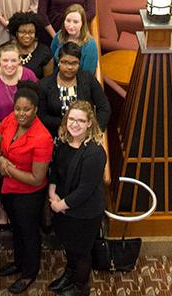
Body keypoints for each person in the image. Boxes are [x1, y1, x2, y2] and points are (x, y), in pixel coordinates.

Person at [0, 81, 54, 294]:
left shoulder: (42, 137)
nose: (21, 113)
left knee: (29, 233)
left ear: (35, 109)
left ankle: (29, 272)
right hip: (8, 190)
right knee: (16, 229)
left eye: (26, 109)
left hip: (29, 195)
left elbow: (37, 179)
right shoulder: (10, 121)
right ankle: (18, 263)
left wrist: (6, 167)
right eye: (18, 108)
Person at [48, 100, 106, 296]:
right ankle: (69, 274)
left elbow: (85, 190)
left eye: (80, 121)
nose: (75, 124)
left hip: (84, 212)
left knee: (81, 252)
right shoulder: (64, 142)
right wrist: (52, 193)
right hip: (63, 206)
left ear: (90, 123)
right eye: (71, 119)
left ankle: (81, 287)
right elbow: (55, 170)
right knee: (69, 246)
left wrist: (59, 205)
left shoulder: (95, 152)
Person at [38, 42, 110, 137]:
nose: (70, 67)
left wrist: (94, 131)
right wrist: (64, 124)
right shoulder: (44, 84)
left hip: (86, 134)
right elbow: (42, 115)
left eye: (74, 63)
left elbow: (104, 107)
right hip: (57, 133)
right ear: (58, 61)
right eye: (65, 62)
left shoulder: (88, 79)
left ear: (79, 63)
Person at [0, 41, 38, 146]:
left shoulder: (29, 75)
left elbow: (36, 106)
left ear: (20, 60)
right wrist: (9, 139)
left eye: (14, 60)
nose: (9, 65)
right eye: (5, 60)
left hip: (26, 137)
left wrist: (21, 138)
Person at [50, 4, 98, 74]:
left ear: (82, 23)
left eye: (75, 22)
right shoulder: (59, 35)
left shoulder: (90, 44)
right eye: (68, 21)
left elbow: (87, 74)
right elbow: (51, 59)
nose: (71, 26)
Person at [8, 12, 53, 79]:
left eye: (31, 32)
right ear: (16, 33)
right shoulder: (6, 50)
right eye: (22, 32)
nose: (27, 36)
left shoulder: (45, 53)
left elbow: (47, 81)